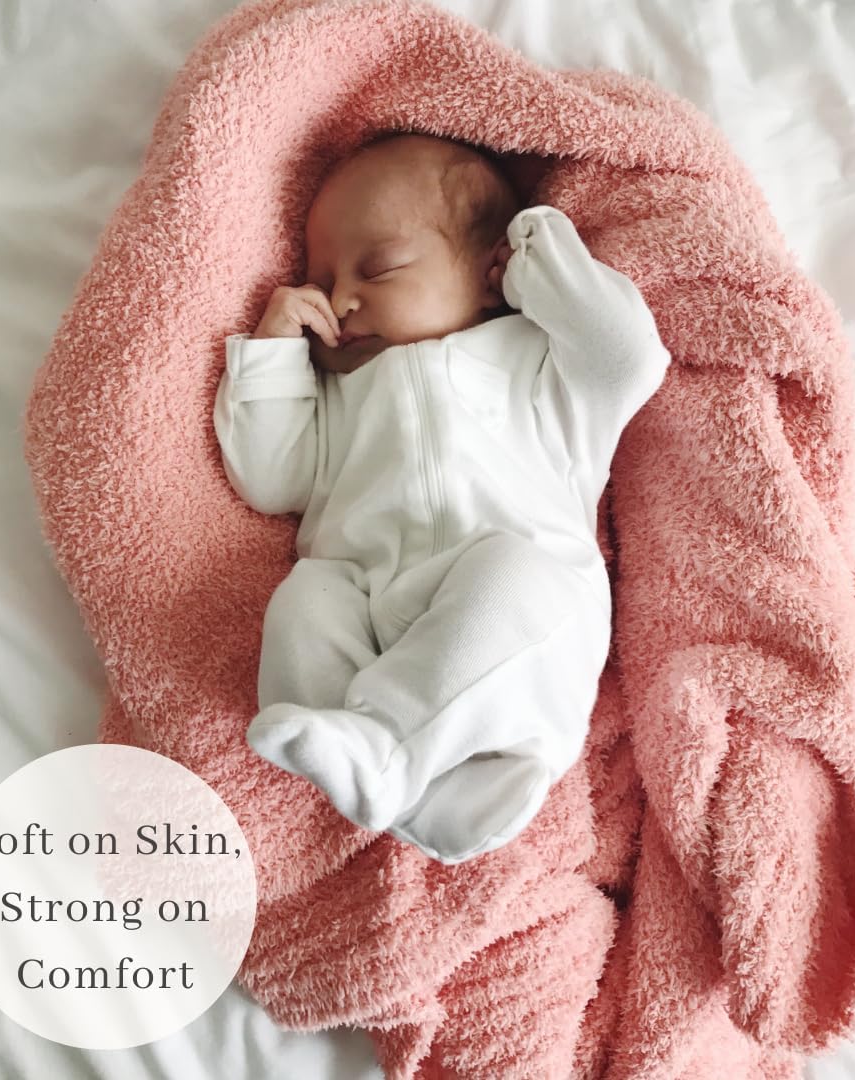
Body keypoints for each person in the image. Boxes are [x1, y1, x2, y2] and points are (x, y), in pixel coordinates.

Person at [213, 132, 670, 863]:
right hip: (372, 611)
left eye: (379, 268)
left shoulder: (538, 364)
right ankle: (419, 791)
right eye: (321, 281)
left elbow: (628, 360)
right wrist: (273, 355)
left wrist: (540, 260)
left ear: (489, 276)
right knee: (304, 598)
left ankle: (386, 748)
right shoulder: (335, 394)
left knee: (511, 576)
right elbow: (270, 479)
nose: (341, 300)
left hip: (519, 618)